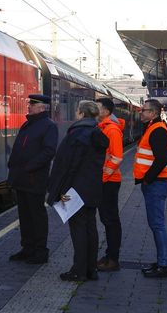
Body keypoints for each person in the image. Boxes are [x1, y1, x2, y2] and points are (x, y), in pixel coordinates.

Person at [47, 100, 109, 282]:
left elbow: (66, 166)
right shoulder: (97, 133)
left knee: (78, 230)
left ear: (81, 113)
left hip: (75, 191)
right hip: (93, 189)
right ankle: (91, 270)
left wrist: (58, 190)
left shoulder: (77, 134)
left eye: (76, 111)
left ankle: (79, 271)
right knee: (90, 228)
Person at [7, 94, 58, 264]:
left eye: (33, 104)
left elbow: (49, 151)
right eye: (30, 103)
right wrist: (12, 165)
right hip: (21, 178)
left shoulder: (48, 126)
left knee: (37, 216)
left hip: (35, 178)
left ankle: (40, 251)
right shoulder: (28, 125)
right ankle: (27, 248)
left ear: (42, 107)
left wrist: (30, 167)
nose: (29, 106)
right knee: (25, 215)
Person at [134, 99, 167, 278]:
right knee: (156, 224)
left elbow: (161, 159)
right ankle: (161, 262)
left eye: (144, 110)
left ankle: (163, 266)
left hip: (157, 183)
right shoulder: (154, 128)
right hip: (156, 183)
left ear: (154, 113)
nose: (141, 112)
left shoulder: (157, 130)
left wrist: (147, 179)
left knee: (157, 224)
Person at [94, 97, 124, 272]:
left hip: (109, 182)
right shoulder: (103, 128)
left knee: (111, 220)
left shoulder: (111, 130)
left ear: (106, 111)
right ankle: (110, 255)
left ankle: (113, 259)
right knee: (107, 219)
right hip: (106, 181)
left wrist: (102, 178)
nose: (95, 111)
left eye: (97, 108)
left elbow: (117, 158)